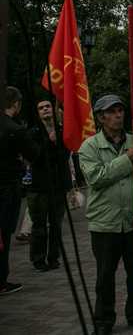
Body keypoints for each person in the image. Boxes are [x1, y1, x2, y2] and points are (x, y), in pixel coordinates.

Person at [79, 95, 133, 334]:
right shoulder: (90, 147)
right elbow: (95, 178)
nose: (118, 115)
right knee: (105, 276)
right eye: (112, 111)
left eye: (120, 110)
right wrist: (126, 160)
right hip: (104, 224)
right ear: (101, 117)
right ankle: (104, 320)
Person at [26, 99, 72, 272]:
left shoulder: (62, 131)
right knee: (39, 226)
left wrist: (56, 142)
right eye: (41, 108)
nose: (45, 109)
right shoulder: (33, 133)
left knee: (56, 224)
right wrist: (49, 142)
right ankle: (38, 259)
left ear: (53, 110)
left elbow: (65, 155)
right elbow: (34, 156)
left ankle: (54, 257)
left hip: (58, 185)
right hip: (39, 187)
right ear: (38, 113)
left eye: (47, 106)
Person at [0, 86, 37, 295]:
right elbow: (34, 154)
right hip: (8, 190)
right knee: (4, 234)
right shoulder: (15, 129)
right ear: (16, 104)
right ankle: (1, 280)